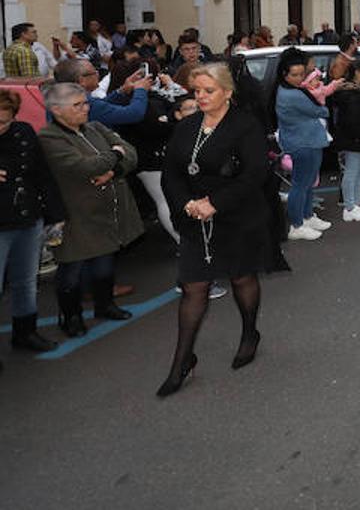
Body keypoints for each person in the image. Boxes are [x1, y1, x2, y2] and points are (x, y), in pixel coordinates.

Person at [156, 63, 272, 397]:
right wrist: (187, 204)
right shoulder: (188, 126)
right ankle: (182, 361)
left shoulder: (245, 126)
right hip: (195, 220)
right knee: (194, 286)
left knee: (241, 278)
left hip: (237, 217)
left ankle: (250, 333)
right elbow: (172, 173)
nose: (202, 97)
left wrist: (215, 203)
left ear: (227, 93)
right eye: (197, 91)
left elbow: (254, 174)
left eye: (209, 91)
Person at [38, 82, 143, 336]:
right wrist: (115, 154)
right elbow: (85, 167)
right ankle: (70, 317)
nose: (86, 108)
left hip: (106, 211)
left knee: (105, 264)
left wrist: (114, 168)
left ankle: (105, 305)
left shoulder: (95, 127)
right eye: (78, 105)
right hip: (74, 214)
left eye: (85, 102)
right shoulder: (49, 138)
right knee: (72, 270)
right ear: (57, 110)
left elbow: (131, 153)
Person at [0, 90, 62, 363]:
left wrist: (54, 213)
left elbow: (42, 173)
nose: (0, 127)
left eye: (4, 121)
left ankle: (25, 332)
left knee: (26, 281)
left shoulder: (23, 131)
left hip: (27, 216)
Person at [274, 53, 330, 241]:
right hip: (302, 142)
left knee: (307, 183)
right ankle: (297, 224)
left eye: (301, 74)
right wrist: (321, 107)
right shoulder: (291, 94)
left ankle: (307, 216)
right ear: (284, 74)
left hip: (307, 140)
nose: (299, 78)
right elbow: (321, 110)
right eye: (295, 75)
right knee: (301, 184)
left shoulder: (291, 90)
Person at [328, 60, 360, 222]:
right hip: (353, 139)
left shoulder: (357, 90)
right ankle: (349, 207)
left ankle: (357, 201)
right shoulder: (350, 94)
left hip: (358, 138)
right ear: (358, 72)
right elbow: (352, 120)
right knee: (352, 171)